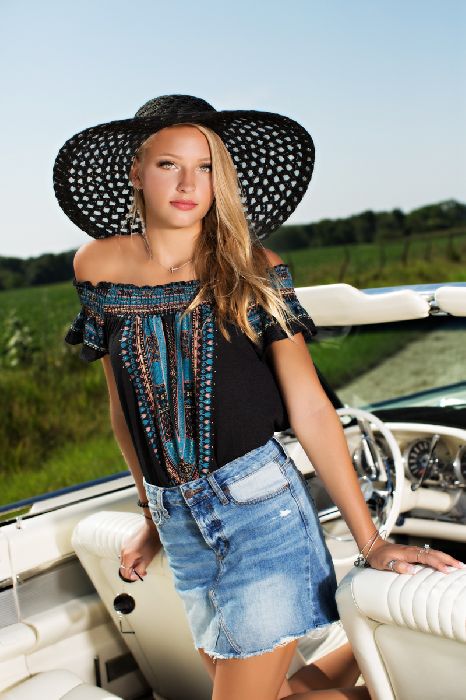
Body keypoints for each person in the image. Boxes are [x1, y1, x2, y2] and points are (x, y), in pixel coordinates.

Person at [55, 94, 464, 700]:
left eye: (206, 167)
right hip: (179, 523)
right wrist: (149, 517)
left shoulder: (254, 267)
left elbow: (312, 409)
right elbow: (124, 408)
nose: (189, 184)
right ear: (137, 172)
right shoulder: (97, 265)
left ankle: (383, 653)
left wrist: (371, 543)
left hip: (260, 513)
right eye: (169, 165)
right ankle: (375, 649)